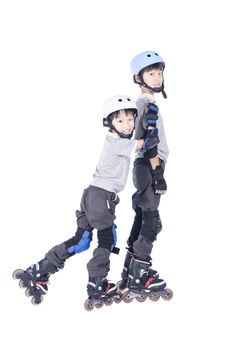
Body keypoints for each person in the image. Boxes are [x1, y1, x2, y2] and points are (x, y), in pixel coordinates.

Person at [12, 95, 157, 308]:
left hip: (91, 195)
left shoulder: (118, 139)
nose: (127, 125)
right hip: (102, 199)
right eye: (120, 120)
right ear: (109, 123)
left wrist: (142, 114)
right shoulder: (116, 142)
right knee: (107, 240)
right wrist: (151, 119)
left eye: (130, 119)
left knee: (81, 241)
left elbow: (134, 138)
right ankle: (97, 284)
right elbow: (142, 143)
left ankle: (40, 270)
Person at [118, 51, 173, 302]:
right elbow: (149, 142)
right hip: (149, 166)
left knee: (142, 218)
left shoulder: (143, 104)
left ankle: (130, 271)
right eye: (151, 73)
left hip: (143, 168)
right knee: (151, 221)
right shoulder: (147, 104)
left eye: (159, 72)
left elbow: (140, 139)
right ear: (138, 78)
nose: (157, 77)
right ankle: (141, 274)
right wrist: (158, 173)